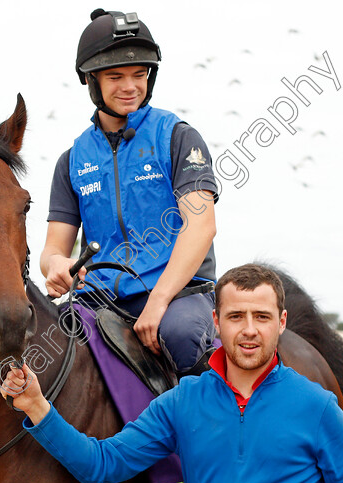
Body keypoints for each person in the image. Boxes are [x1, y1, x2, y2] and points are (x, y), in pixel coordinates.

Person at [2, 264, 343, 483]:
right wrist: (39, 408)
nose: (250, 330)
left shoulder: (319, 408)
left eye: (262, 317)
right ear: (216, 323)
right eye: (236, 316)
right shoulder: (182, 404)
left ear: (282, 322)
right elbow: (101, 463)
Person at [40, 9, 219, 373]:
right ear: (92, 81)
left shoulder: (178, 137)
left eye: (139, 75)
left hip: (178, 293)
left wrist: (160, 300)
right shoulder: (72, 160)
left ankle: (212, 427)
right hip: (98, 296)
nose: (130, 87)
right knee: (43, 347)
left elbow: (201, 225)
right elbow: (52, 250)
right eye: (116, 76)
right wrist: (58, 265)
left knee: (182, 335)